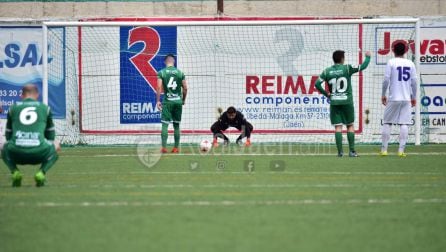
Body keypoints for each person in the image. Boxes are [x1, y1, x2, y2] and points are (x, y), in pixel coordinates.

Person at [2, 84, 60, 187]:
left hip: (16, 153)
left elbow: (8, 134)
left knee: (2, 146)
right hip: (39, 153)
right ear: (37, 95)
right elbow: (51, 135)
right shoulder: (45, 108)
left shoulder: (13, 108)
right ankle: (41, 173)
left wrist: (19, 142)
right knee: (56, 144)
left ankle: (15, 172)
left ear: (22, 95)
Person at [315, 50, 371, 157]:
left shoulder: (327, 71)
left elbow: (317, 84)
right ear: (342, 59)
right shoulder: (347, 68)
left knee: (338, 127)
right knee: (350, 125)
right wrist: (368, 57)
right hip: (347, 102)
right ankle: (351, 151)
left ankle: (340, 152)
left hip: (335, 102)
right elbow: (362, 66)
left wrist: (326, 94)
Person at [380, 42, 417, 157]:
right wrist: (414, 97)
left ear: (393, 50)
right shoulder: (410, 63)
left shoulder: (391, 62)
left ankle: (384, 150)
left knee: (387, 122)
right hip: (406, 98)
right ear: (406, 51)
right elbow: (414, 82)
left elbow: (386, 80)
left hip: (393, 97)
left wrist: (383, 94)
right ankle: (401, 151)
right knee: (404, 123)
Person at [156, 54, 188, 153]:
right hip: (178, 102)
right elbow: (185, 88)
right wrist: (183, 100)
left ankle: (164, 147)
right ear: (173, 61)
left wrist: (158, 100)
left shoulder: (161, 72)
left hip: (167, 102)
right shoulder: (180, 73)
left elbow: (158, 87)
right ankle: (176, 148)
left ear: (165, 62)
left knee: (165, 125)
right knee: (176, 125)